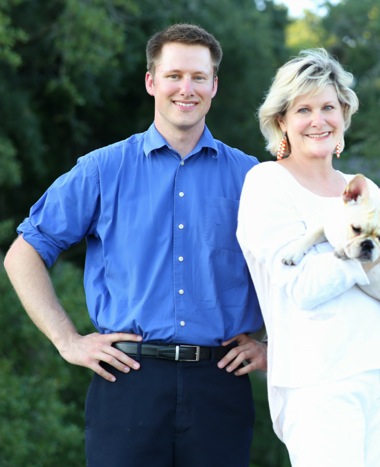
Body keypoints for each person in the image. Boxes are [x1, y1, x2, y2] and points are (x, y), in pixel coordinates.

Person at [3, 23, 266, 467]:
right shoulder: (102, 169)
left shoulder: (252, 178)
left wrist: (271, 342)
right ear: (151, 82)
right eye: (174, 75)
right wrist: (67, 341)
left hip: (220, 383)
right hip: (127, 380)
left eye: (199, 77)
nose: (187, 88)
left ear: (214, 85)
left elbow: (293, 267)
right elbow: (24, 252)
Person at [236, 48, 380, 467]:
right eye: (303, 109)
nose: (318, 120)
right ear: (282, 121)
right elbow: (304, 288)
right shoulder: (266, 183)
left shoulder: (364, 189)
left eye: (329, 107)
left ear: (344, 114)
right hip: (318, 380)